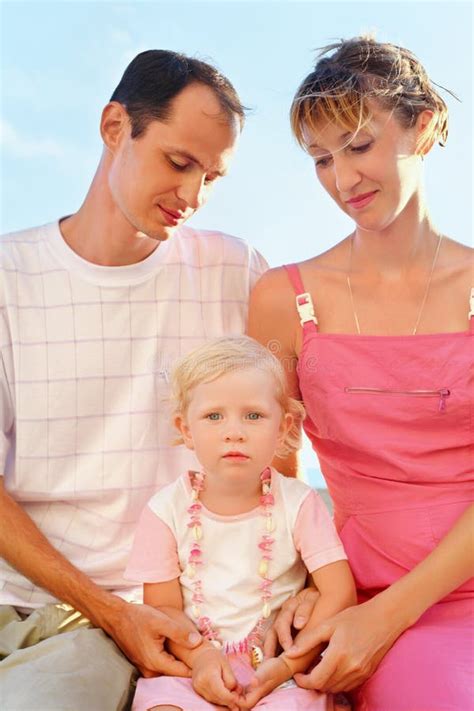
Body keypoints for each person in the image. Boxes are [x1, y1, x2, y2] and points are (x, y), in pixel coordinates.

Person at [0, 51, 268, 710]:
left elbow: (287, 447)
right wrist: (107, 610)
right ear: (115, 126)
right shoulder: (9, 277)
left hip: (131, 629)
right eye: (180, 163)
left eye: (212, 176)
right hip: (29, 603)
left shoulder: (235, 274)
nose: (194, 196)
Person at [248, 36, 473, 711]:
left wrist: (389, 615)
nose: (343, 179)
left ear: (424, 125)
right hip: (362, 593)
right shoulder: (282, 299)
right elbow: (273, 468)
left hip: (409, 602)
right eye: (322, 159)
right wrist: (311, 585)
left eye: (359, 145)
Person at [124, 335, 356, 711]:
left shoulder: (298, 503)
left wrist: (289, 663)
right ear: (185, 429)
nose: (234, 431)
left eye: (254, 415)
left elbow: (338, 592)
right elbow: (163, 610)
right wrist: (199, 659)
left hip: (279, 670)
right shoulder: (164, 511)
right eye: (214, 416)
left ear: (283, 428)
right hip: (194, 666)